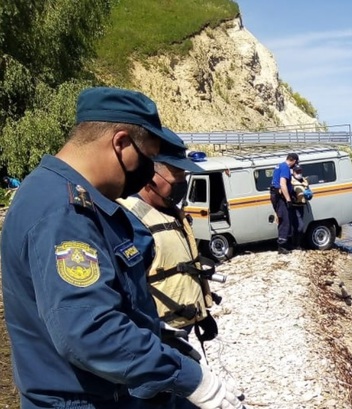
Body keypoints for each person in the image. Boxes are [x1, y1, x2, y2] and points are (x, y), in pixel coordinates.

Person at [0, 86, 242, 409]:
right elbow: (89, 331)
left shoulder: (81, 200)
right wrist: (189, 377)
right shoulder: (63, 212)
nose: (148, 172)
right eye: (149, 159)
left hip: (117, 391)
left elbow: (106, 298)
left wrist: (155, 331)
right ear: (121, 143)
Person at [118, 127, 220, 358]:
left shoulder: (170, 211)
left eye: (184, 176)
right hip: (158, 336)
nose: (182, 183)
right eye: (177, 176)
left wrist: (202, 315)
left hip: (184, 324)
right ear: (149, 176)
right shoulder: (131, 221)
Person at [270, 152, 299, 254]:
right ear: (294, 161)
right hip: (280, 197)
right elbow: (283, 184)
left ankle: (286, 243)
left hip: (276, 195)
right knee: (284, 220)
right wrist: (288, 200)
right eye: (296, 163)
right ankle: (282, 246)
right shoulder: (286, 167)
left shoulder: (279, 166)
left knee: (287, 218)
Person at [289, 165, 312, 248]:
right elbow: (289, 193)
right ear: (293, 172)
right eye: (297, 172)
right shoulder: (290, 181)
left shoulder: (304, 181)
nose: (299, 173)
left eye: (300, 172)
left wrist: (309, 195)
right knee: (298, 226)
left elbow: (308, 191)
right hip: (294, 206)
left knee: (299, 226)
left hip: (301, 205)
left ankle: (298, 244)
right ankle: (295, 244)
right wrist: (297, 195)